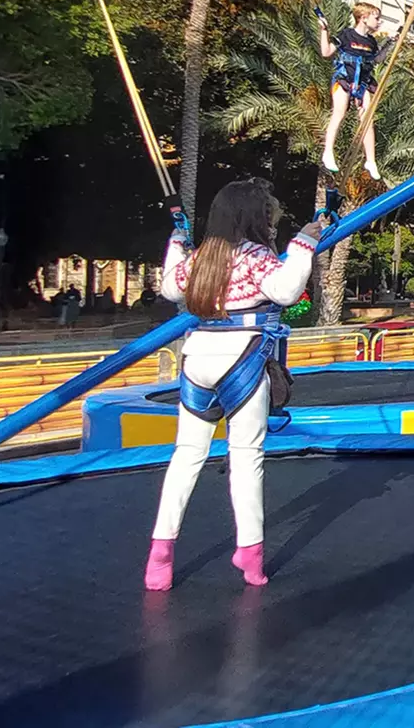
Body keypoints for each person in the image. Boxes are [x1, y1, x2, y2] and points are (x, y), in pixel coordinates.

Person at [146, 178, 324, 591]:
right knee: (246, 457)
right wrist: (302, 243)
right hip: (240, 359)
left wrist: (177, 240)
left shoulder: (201, 258)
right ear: (255, 218)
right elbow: (286, 290)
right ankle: (251, 553)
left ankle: (161, 550)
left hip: (197, 359)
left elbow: (171, 286)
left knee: (186, 455)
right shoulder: (255, 256)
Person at [317, 2, 386, 180]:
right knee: (338, 113)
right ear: (364, 18)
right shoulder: (346, 35)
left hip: (363, 83)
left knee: (367, 120)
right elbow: (326, 52)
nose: (379, 22)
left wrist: (390, 45)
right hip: (344, 80)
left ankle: (371, 160)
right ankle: (327, 152)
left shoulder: (371, 42)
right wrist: (324, 31)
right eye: (376, 18)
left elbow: (377, 59)